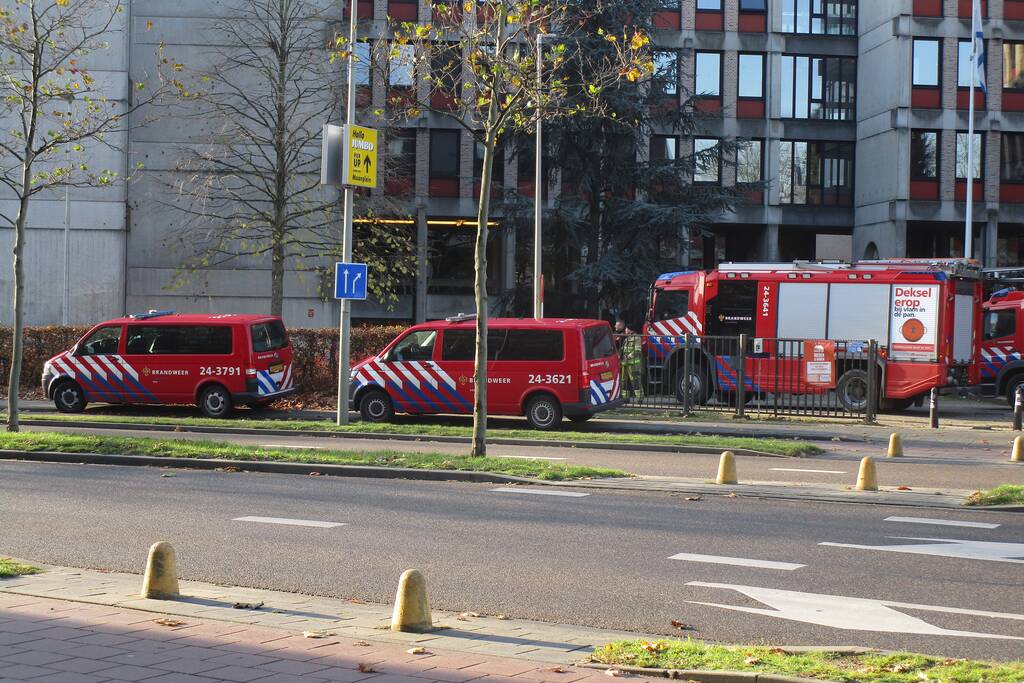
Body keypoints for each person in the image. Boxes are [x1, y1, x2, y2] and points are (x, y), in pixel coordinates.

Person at [620, 322, 643, 399]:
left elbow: (637, 350)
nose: (625, 330)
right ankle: (625, 398)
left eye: (626, 328)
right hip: (625, 364)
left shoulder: (637, 338)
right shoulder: (626, 339)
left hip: (634, 365)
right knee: (624, 382)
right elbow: (622, 350)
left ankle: (640, 398)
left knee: (635, 381)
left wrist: (629, 357)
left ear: (630, 330)